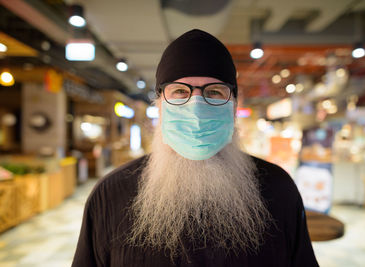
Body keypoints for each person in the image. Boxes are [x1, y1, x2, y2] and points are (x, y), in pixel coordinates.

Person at [72, 29, 319, 267]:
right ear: (160, 105)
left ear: (233, 107)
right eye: (180, 91)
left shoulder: (278, 189)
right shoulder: (110, 195)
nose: (197, 108)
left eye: (214, 92)